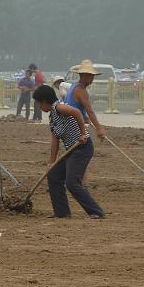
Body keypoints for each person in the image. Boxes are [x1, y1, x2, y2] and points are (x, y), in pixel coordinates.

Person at [32, 84, 104, 219]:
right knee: (53, 176)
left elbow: (77, 113)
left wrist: (83, 133)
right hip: (71, 150)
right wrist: (51, 163)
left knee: (72, 183)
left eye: (38, 103)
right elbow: (55, 140)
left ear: (44, 101)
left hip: (82, 148)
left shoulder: (59, 107)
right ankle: (62, 212)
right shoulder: (52, 117)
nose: (39, 107)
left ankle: (96, 212)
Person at [64, 60, 106, 140]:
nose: (93, 78)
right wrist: (99, 128)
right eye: (91, 75)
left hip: (68, 126)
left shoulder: (74, 86)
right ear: (84, 75)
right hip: (75, 128)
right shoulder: (81, 91)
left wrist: (85, 117)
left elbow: (75, 106)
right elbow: (90, 111)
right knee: (87, 149)